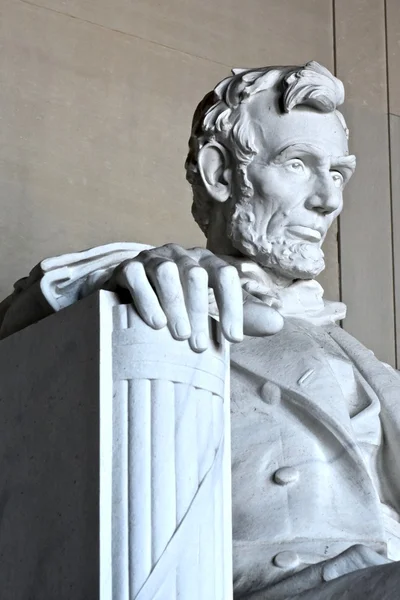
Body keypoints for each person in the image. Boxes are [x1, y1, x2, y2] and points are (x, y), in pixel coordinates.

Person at [1, 61, 400, 599]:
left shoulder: (361, 360)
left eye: (337, 173)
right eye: (299, 164)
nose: (329, 200)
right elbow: (19, 336)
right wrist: (120, 273)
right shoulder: (160, 298)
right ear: (219, 174)